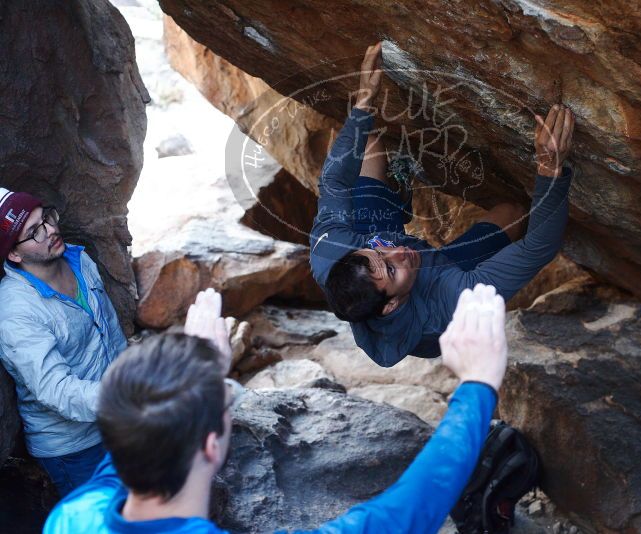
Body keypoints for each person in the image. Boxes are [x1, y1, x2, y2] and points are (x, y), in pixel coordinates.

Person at [44, 283, 507, 534]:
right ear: (211, 446)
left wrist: (201, 371)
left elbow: (122, 446)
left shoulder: (70, 518)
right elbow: (407, 510)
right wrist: (478, 382)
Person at [311, 43, 575, 367]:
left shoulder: (330, 251)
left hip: (375, 235)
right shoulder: (449, 302)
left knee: (368, 146)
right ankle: (396, 207)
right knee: (513, 213)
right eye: (391, 269)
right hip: (437, 278)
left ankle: (396, 202)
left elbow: (335, 182)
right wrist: (550, 170)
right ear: (391, 305)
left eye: (378, 253)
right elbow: (537, 249)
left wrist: (364, 101)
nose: (397, 252)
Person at [0, 188, 128, 496]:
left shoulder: (78, 259)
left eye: (46, 217)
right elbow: (55, 390)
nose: (52, 230)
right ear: (14, 254)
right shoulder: (16, 311)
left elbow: (112, 332)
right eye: (34, 231)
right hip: (73, 449)